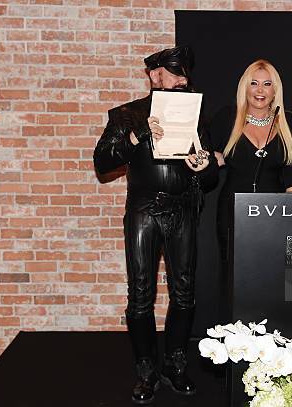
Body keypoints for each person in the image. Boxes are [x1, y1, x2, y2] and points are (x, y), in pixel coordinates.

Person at [93, 45, 218, 405]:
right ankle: (146, 368)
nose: (181, 80)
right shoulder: (128, 115)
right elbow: (102, 163)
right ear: (154, 75)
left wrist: (202, 166)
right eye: (174, 73)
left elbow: (209, 177)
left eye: (184, 74)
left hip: (182, 210)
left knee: (184, 291)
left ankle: (176, 363)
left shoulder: (195, 116)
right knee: (141, 293)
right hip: (144, 210)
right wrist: (136, 137)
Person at [208, 59, 292, 320]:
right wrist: (209, 160)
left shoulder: (287, 122)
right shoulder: (227, 118)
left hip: (275, 216)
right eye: (254, 83)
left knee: (271, 279)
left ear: (275, 90)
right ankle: (233, 345)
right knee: (235, 279)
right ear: (244, 87)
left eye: (267, 84)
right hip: (233, 212)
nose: (260, 90)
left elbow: (289, 177)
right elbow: (205, 160)